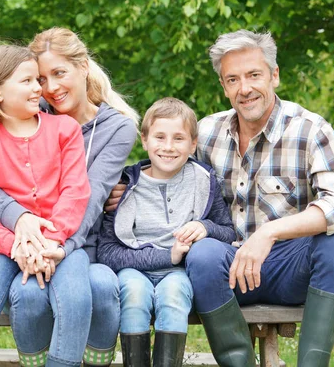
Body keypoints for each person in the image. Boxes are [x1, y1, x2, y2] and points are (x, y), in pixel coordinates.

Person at [184, 30, 334, 366]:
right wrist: (125, 186)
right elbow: (169, 181)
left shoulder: (310, 129)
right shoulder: (206, 133)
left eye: (254, 75)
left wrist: (269, 233)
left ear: (274, 75)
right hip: (226, 271)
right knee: (203, 253)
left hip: (286, 269)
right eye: (233, 79)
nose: (245, 88)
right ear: (223, 87)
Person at [0, 28, 139, 367]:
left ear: (83, 66)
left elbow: (94, 193)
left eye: (59, 73)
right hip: (26, 247)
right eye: (41, 78)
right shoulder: (29, 112)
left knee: (101, 286)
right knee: (27, 294)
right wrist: (21, 220)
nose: (51, 88)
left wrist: (60, 248)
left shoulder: (117, 128)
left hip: (81, 245)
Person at [0, 44, 92, 366]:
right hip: (0, 249)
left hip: (60, 244)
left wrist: (50, 241)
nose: (39, 88)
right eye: (27, 81)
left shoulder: (64, 129)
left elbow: (75, 191)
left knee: (76, 301)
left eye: (37, 79)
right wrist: (17, 246)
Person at [97, 98, 237, 367]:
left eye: (179, 138)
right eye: (159, 137)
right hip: (134, 270)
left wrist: (205, 227)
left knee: (174, 296)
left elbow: (227, 232)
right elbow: (108, 251)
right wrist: (167, 255)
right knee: (134, 294)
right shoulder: (125, 186)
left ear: (193, 144)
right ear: (145, 140)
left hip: (179, 273)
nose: (169, 147)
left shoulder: (203, 180)